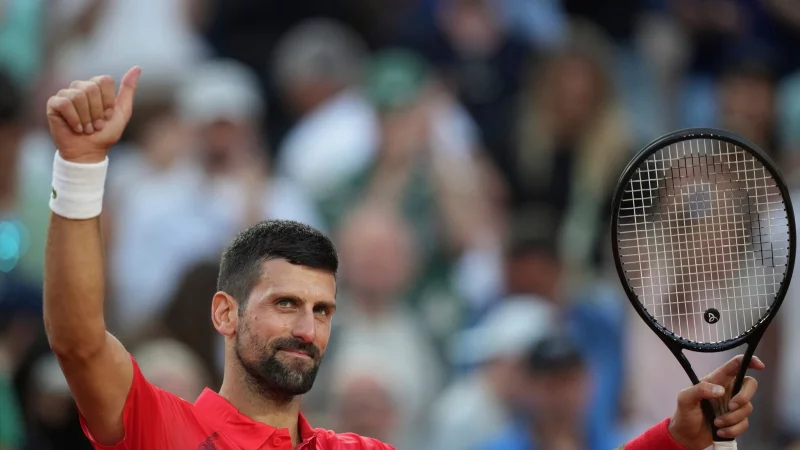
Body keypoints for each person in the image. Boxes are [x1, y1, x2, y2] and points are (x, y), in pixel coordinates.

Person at [43, 66, 763, 450]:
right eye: (286, 304)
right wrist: (79, 167)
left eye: (322, 310)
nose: (308, 327)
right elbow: (77, 342)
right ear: (225, 314)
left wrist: (673, 440)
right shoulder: (165, 430)